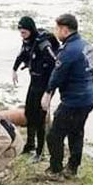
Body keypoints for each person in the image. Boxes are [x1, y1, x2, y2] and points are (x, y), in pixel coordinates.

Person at [42, 14, 93, 179]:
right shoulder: (85, 44)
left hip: (75, 100)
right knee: (76, 131)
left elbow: (57, 75)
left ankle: (55, 169)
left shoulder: (68, 51)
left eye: (57, 28)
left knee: (54, 135)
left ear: (64, 30)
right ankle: (73, 167)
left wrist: (47, 94)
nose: (55, 31)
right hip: (90, 97)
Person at [12, 16, 59, 162]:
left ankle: (40, 152)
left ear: (31, 30)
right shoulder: (28, 41)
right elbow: (21, 54)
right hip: (35, 81)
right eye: (20, 32)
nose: (22, 35)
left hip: (45, 85)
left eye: (24, 32)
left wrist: (49, 91)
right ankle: (30, 144)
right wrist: (14, 69)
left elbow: (56, 65)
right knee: (29, 112)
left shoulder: (43, 45)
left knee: (40, 118)